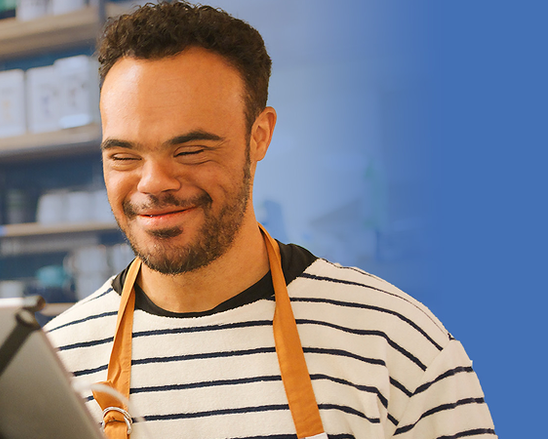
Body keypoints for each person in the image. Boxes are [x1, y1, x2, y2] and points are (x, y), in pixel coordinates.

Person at [42, 2, 495, 438]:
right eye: (124, 155)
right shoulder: (51, 368)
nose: (153, 183)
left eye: (191, 151)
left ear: (258, 136)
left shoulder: (395, 343)